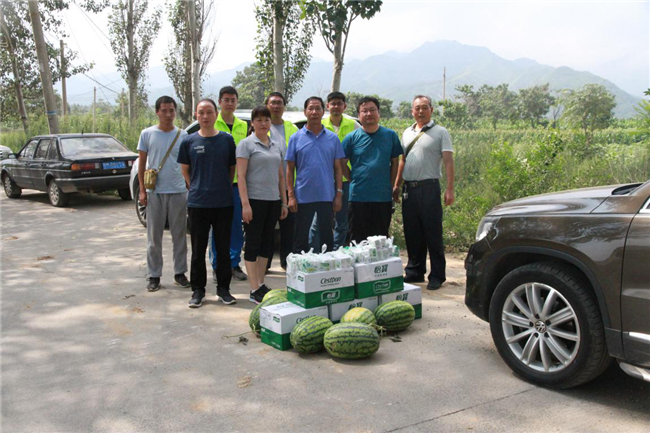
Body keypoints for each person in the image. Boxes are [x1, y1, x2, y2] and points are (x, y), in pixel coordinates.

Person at [177, 99, 237, 308]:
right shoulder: (189, 141)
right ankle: (198, 290)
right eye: (201, 112)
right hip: (198, 204)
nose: (205, 116)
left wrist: (223, 186)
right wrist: (195, 186)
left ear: (216, 114)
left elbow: (231, 168)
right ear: (196, 115)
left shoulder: (227, 140)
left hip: (223, 203)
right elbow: (185, 170)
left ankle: (224, 289)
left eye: (209, 112)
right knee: (198, 249)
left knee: (223, 248)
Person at [393, 95, 455, 291]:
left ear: (431, 110)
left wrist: (450, 189)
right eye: (417, 108)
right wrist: (397, 184)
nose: (421, 111)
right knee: (412, 232)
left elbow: (448, 162)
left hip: (429, 188)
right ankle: (415, 270)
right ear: (412, 111)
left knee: (432, 232)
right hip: (409, 189)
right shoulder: (407, 132)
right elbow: (403, 160)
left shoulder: (440, 132)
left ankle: (437, 275)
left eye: (424, 107)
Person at [137, 96, 189, 292]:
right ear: (157, 112)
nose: (168, 114)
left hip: (178, 191)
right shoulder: (147, 134)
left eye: (171, 110)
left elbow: (188, 164)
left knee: (180, 236)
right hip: (155, 192)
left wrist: (189, 186)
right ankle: (154, 275)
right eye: (164, 110)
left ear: (176, 111)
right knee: (154, 237)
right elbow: (142, 163)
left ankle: (180, 273)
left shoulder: (183, 135)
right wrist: (142, 190)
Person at [237, 106, 289, 303]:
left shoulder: (276, 144)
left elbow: (281, 176)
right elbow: (241, 176)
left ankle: (260, 284)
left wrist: (284, 202)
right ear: (252, 123)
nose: (263, 123)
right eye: (258, 120)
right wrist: (245, 204)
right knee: (253, 243)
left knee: (266, 244)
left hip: (273, 201)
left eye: (266, 120)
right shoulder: (246, 145)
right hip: (254, 201)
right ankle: (253, 289)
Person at [286, 96, 344, 253]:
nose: (314, 112)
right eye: (310, 108)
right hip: (303, 196)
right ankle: (300, 267)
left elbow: (338, 169)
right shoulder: (295, 138)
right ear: (305, 111)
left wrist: (339, 194)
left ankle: (326, 268)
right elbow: (289, 169)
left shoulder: (332, 138)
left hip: (326, 196)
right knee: (300, 240)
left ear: (323, 111)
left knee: (326, 239)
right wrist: (291, 196)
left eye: (318, 108)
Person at [342, 96, 403, 243]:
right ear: (359, 115)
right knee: (357, 240)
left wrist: (391, 184)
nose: (369, 114)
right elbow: (342, 163)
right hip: (358, 196)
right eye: (364, 111)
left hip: (382, 197)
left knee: (380, 240)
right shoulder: (351, 138)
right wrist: (352, 179)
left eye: (372, 110)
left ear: (378, 113)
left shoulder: (390, 135)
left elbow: (395, 161)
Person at [309, 91, 361, 250]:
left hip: (344, 181)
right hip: (323, 181)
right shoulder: (320, 124)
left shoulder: (354, 125)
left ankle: (336, 252)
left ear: (345, 106)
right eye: (333, 103)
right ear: (328, 106)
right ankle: (314, 252)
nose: (336, 106)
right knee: (317, 221)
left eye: (339, 103)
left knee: (342, 220)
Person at [208, 86, 249, 282]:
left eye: (233, 100)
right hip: (216, 184)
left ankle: (234, 263)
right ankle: (217, 266)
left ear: (237, 102)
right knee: (217, 228)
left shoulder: (243, 126)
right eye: (226, 100)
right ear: (220, 102)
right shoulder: (211, 123)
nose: (230, 103)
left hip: (238, 185)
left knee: (236, 227)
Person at [265, 92, 299, 271]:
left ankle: (287, 262)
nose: (276, 106)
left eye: (279, 103)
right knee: (267, 227)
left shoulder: (292, 128)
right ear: (267, 105)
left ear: (285, 107)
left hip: (288, 185)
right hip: (267, 186)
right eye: (273, 103)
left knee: (289, 227)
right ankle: (265, 263)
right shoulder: (261, 126)